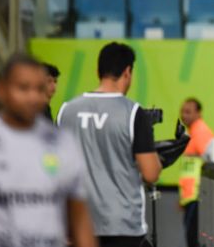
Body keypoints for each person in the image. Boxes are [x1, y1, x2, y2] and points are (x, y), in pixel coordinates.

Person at [57, 42, 162, 247]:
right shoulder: (132, 113)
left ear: (98, 71)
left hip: (78, 223)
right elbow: (150, 173)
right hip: (122, 224)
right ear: (128, 71)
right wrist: (158, 159)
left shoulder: (66, 111)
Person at [0, 54, 97, 247]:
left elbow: (79, 217)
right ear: (1, 89)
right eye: (23, 88)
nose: (33, 97)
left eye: (39, 89)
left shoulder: (63, 142)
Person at [179, 98, 214, 247]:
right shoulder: (192, 132)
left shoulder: (200, 131)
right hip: (191, 197)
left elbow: (210, 161)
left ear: (198, 113)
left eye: (188, 112)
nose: (184, 115)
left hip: (197, 195)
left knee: (193, 239)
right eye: (182, 111)